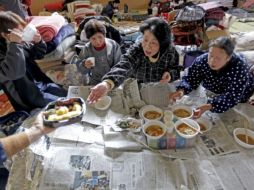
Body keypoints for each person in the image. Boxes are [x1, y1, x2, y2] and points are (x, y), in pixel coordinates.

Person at [87, 17, 180, 103]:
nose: (147, 47)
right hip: (137, 89)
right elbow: (124, 64)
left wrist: (170, 74)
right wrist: (107, 83)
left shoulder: (170, 52)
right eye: (145, 40)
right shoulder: (137, 50)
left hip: (158, 89)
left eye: (154, 43)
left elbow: (176, 69)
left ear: (163, 44)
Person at [169, 37, 254, 118]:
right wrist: (181, 90)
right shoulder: (202, 60)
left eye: (218, 58)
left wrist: (210, 105)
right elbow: (191, 78)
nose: (212, 61)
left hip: (239, 91)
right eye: (211, 55)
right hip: (213, 88)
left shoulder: (240, 68)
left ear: (228, 58)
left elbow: (231, 97)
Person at [0, 11, 67, 112]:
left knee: (67, 94)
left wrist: (39, 42)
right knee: (65, 105)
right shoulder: (12, 46)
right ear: (4, 34)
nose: (22, 33)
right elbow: (14, 73)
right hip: (28, 96)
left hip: (41, 84)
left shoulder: (19, 43)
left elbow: (38, 54)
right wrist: (14, 44)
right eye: (19, 30)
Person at [77, 19, 122, 85]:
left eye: (100, 37)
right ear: (89, 39)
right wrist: (84, 65)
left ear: (104, 35)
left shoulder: (113, 45)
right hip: (95, 80)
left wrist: (109, 82)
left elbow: (119, 65)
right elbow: (80, 68)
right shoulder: (87, 49)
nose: (97, 41)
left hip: (112, 79)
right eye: (93, 38)